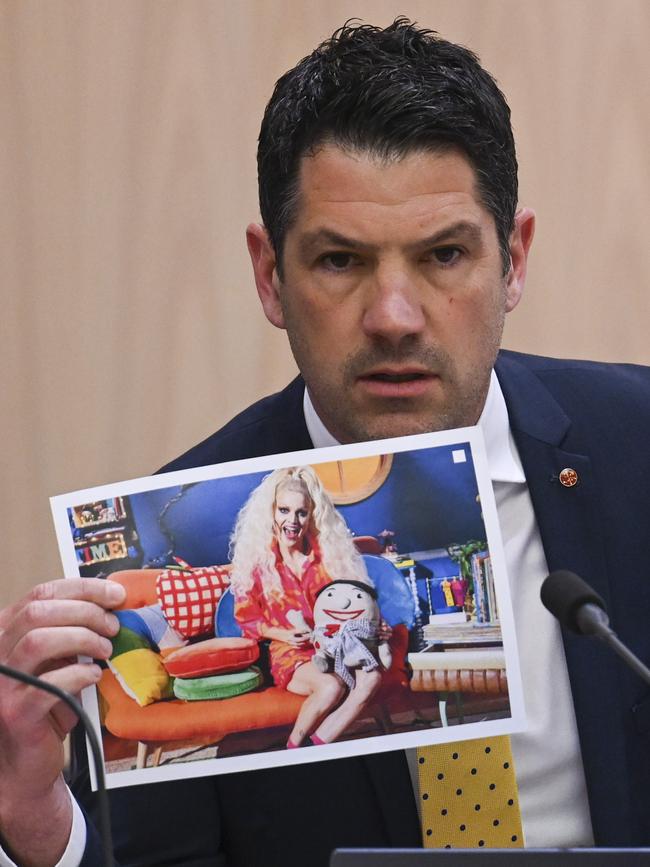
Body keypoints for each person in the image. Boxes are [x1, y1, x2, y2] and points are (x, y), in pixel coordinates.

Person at [1, 16, 650, 867]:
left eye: (445, 255)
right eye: (341, 261)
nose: (393, 317)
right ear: (270, 274)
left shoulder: (636, 449)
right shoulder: (192, 525)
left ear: (514, 259)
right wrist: (35, 819)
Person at [229, 465, 382, 747]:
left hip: (336, 644)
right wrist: (284, 634)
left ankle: (317, 746)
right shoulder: (257, 565)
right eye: (284, 510)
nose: (293, 520)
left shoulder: (328, 558)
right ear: (271, 513)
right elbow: (247, 621)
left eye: (301, 512)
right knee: (330, 686)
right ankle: (294, 746)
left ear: (311, 514)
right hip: (291, 653)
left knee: (371, 677)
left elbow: (355, 601)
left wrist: (372, 625)